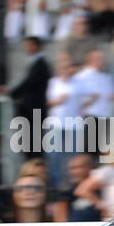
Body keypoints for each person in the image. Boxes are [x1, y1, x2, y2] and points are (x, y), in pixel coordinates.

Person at [5, 37, 51, 158]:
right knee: (28, 144)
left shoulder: (41, 65)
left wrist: (11, 92)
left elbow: (29, 83)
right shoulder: (33, 63)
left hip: (35, 110)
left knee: (33, 145)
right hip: (29, 110)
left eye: (29, 45)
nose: (27, 48)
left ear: (36, 46)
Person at [44, 52, 81, 184]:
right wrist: (58, 101)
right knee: (55, 157)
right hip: (56, 123)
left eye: (68, 67)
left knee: (74, 157)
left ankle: (73, 185)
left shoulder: (78, 82)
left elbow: (89, 98)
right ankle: (56, 185)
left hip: (74, 124)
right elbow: (47, 102)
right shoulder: (53, 83)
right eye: (63, 67)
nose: (66, 70)